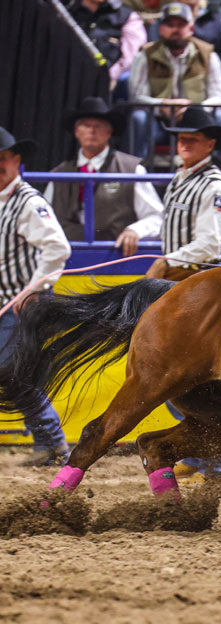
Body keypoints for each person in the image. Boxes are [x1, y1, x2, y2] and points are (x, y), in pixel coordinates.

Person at [145, 107, 221, 478]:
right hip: (187, 286)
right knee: (184, 375)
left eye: (192, 138)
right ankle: (205, 456)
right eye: (180, 137)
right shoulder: (182, 178)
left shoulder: (213, 185)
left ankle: (215, 457)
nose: (183, 143)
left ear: (209, 143)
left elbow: (210, 242)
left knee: (192, 374)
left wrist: (168, 259)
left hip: (204, 288)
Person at [0, 128, 72, 467]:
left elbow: (57, 247)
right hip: (7, 303)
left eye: (3, 158)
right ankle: (50, 442)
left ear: (16, 160)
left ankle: (52, 441)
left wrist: (33, 289)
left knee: (11, 369)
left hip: (23, 303)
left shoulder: (29, 202)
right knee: (12, 372)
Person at [45, 97, 163, 255]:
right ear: (76, 132)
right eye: (86, 125)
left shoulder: (131, 170)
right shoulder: (59, 174)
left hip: (115, 256)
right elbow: (43, 221)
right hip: (68, 256)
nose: (92, 131)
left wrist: (135, 231)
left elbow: (156, 216)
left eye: (98, 126)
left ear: (109, 132)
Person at [128, 1, 221, 160]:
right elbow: (136, 95)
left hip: (199, 119)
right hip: (159, 121)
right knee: (139, 118)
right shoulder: (145, 55)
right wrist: (162, 105)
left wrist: (193, 109)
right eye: (170, 25)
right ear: (161, 29)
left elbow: (219, 95)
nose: (175, 30)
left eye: (181, 24)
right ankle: (134, 174)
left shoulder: (207, 54)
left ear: (191, 28)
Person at [146, 0, 221, 82]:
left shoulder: (216, 19)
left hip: (213, 76)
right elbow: (154, 52)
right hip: (168, 77)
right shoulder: (162, 22)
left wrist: (216, 72)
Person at [68, 0, 147, 92]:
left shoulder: (128, 17)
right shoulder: (67, 14)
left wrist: (110, 76)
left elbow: (131, 58)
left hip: (111, 86)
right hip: (70, 81)